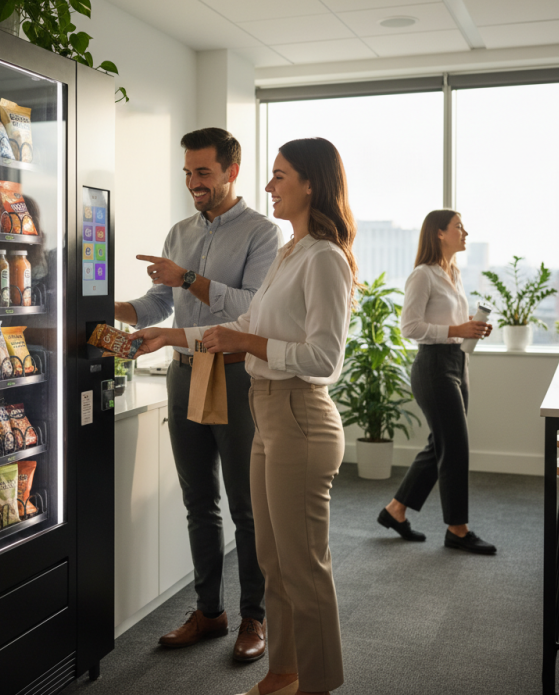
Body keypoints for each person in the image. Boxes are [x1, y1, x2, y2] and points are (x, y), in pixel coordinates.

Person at [133, 137, 358, 695]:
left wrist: (249, 344)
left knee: (303, 565)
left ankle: (317, 684)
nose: (268, 186)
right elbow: (242, 325)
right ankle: (282, 674)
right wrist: (169, 336)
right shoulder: (291, 252)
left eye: (280, 176)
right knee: (274, 561)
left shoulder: (325, 258)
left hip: (300, 414)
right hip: (268, 411)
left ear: (311, 183)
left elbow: (324, 360)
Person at [115, 127, 283, 662]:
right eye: (188, 173)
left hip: (235, 375)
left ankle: (255, 617)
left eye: (203, 172)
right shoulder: (179, 232)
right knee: (198, 502)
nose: (193, 183)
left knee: (247, 505)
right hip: (184, 372)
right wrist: (102, 306)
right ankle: (209, 612)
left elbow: (251, 307)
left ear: (232, 171)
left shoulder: (264, 233)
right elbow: (158, 304)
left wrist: (188, 277)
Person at [378, 210, 497, 555]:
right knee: (455, 446)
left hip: (458, 361)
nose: (465, 232)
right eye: (459, 227)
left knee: (441, 444)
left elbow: (449, 323)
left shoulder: (453, 273)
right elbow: (410, 327)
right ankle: (457, 530)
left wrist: (470, 326)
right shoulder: (422, 275)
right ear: (440, 233)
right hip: (433, 366)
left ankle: (395, 510)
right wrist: (458, 329)